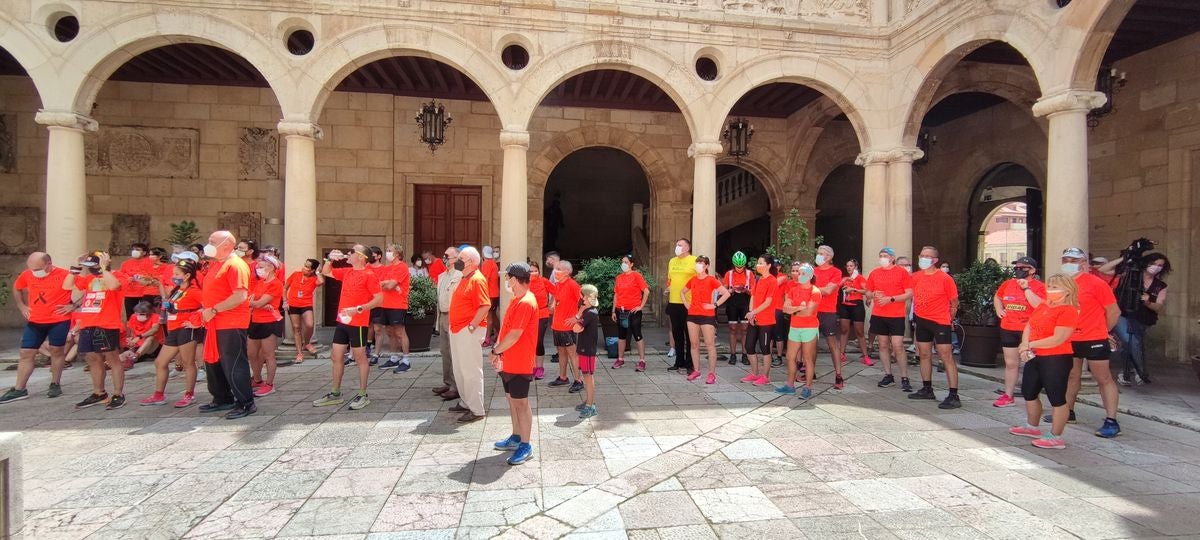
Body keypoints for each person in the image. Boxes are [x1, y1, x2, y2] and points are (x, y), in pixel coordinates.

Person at [1009, 274, 1080, 450]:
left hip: (1056, 358)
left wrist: (1029, 345)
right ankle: (1032, 426)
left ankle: (1056, 436)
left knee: (1056, 396)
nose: (1051, 290)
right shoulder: (1044, 305)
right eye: (1050, 286)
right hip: (1036, 354)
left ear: (1067, 290)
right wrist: (1025, 345)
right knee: (1029, 390)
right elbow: (1030, 325)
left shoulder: (1069, 310)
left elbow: (1058, 338)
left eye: (1056, 287)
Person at [1058, 247, 1121, 437]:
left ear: (1083, 263)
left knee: (1103, 378)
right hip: (1070, 338)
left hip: (1094, 337)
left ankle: (1111, 421)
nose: (1069, 263)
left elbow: (1113, 311)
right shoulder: (1061, 283)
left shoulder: (1096, 283)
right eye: (1065, 259)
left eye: (1073, 259)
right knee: (1071, 376)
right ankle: (1067, 412)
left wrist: (1104, 331)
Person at [314, 246, 383, 410]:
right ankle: (335, 393)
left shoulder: (369, 275)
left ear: (361, 257)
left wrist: (359, 309)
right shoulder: (347, 272)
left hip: (358, 323)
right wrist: (329, 259)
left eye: (352, 252)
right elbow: (326, 272)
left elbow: (379, 299)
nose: (348, 254)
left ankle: (362, 394)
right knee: (335, 356)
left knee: (360, 358)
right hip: (342, 321)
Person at [197, 231, 256, 419]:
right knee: (214, 362)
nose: (208, 244)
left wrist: (214, 309)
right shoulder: (216, 264)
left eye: (211, 241)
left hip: (230, 321)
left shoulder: (235, 265)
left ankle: (245, 402)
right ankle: (222, 397)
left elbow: (240, 296)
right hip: (214, 321)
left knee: (234, 363)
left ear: (226, 245)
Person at [1, 252, 73, 404]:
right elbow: (17, 287)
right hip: (35, 321)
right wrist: (21, 306)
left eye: (37, 268)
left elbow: (87, 287)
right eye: (32, 269)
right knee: (26, 352)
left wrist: (73, 306)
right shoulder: (28, 274)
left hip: (58, 320)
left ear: (48, 264)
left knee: (56, 350)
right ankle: (20, 389)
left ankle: (55, 383)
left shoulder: (65, 275)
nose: (34, 272)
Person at [490, 262, 539, 465]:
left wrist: (495, 350)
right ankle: (516, 436)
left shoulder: (526, 302)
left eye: (508, 277)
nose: (506, 281)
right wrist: (498, 350)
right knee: (512, 400)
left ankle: (526, 445)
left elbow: (515, 335)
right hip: (508, 360)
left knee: (521, 403)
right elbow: (505, 330)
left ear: (516, 279)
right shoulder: (516, 299)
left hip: (519, 361)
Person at [139, 259, 205, 407]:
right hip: (174, 328)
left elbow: (207, 305)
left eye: (177, 273)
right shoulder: (177, 289)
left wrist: (196, 321)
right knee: (160, 362)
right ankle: (158, 395)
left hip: (186, 329)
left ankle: (189, 394)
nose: (173, 276)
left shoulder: (194, 291)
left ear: (187, 275)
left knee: (188, 363)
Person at [67, 252, 127, 410]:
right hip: (88, 323)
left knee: (112, 359)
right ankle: (99, 393)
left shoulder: (116, 275)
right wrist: (75, 267)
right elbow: (67, 286)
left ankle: (118, 394)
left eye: (93, 266)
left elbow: (114, 286)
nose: (91, 270)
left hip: (106, 324)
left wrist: (105, 268)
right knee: (92, 358)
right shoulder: (89, 279)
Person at [907, 246, 962, 409]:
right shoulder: (916, 276)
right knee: (924, 354)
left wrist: (950, 318)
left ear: (935, 260)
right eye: (922, 255)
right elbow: (908, 294)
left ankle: (953, 394)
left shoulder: (945, 278)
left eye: (927, 256)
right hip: (922, 320)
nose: (923, 258)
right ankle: (927, 388)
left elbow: (954, 301)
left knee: (946, 357)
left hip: (940, 321)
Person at [1108, 252, 1170, 386]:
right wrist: (1125, 258)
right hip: (1122, 314)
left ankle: (1126, 371)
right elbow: (1104, 270)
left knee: (1130, 344)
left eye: (1160, 265)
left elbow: (1158, 306)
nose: (1157, 267)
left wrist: (1147, 302)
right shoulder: (1130, 275)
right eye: (1154, 264)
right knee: (1130, 340)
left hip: (1143, 318)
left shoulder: (1160, 285)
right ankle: (1140, 370)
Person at [993, 256, 1046, 408]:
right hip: (1008, 327)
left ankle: (1033, 396)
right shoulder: (1008, 283)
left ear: (1033, 271)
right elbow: (998, 296)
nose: (1018, 270)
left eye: (1023, 268)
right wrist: (999, 309)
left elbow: (1039, 305)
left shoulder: (1039, 287)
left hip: (1029, 330)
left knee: (1031, 363)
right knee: (1010, 363)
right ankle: (1008, 395)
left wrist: (1026, 288)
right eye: (1017, 267)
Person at [447, 246, 490, 423]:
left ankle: (476, 409)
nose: (457, 259)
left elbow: (485, 305)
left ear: (470, 262)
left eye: (461, 257)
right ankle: (466, 402)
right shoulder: (465, 278)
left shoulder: (477, 279)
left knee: (470, 370)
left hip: (467, 330)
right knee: (459, 368)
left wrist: (472, 326)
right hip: (457, 329)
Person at [866, 248, 913, 392]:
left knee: (898, 345)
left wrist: (891, 299)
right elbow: (867, 292)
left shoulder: (902, 272)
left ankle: (905, 377)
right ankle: (888, 374)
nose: (882, 258)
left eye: (885, 256)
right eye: (880, 256)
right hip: (879, 314)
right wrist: (873, 294)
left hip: (896, 315)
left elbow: (909, 293)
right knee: (883, 345)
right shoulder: (875, 273)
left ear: (892, 258)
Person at [682, 256, 730, 384]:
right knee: (694, 344)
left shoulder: (711, 280)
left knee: (710, 345)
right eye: (697, 263)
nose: (698, 265)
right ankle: (696, 370)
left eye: (701, 263)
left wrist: (714, 305)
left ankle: (711, 373)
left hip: (707, 315)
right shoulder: (692, 279)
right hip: (692, 315)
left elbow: (726, 293)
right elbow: (683, 292)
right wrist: (686, 304)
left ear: (707, 266)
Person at [778, 262, 821, 398]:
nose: (799, 275)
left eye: (802, 273)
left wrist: (794, 310)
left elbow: (808, 312)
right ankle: (790, 385)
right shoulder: (793, 289)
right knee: (790, 357)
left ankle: (807, 387)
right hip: (795, 328)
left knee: (808, 359)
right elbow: (785, 308)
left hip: (809, 328)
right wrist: (798, 308)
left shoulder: (815, 291)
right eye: (798, 272)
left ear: (810, 275)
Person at [247, 255, 284, 397]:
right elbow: (253, 301)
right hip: (255, 320)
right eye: (258, 267)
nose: (258, 269)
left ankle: (269, 384)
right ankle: (257, 379)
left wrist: (253, 303)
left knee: (268, 354)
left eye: (261, 267)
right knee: (252, 353)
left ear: (271, 268)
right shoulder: (260, 282)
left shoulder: (276, 284)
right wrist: (254, 303)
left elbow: (257, 303)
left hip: (269, 321)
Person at [548, 260, 584, 392]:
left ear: (567, 272)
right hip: (557, 325)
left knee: (573, 354)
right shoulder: (558, 285)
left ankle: (578, 380)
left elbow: (585, 302)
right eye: (555, 268)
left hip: (568, 327)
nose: (555, 271)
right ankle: (563, 377)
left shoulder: (573, 285)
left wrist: (576, 317)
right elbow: (557, 302)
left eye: (558, 268)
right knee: (561, 352)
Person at [812, 245, 845, 389]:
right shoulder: (813, 271)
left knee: (832, 345)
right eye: (818, 253)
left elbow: (828, 290)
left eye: (822, 254)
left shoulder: (836, 272)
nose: (818, 256)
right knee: (811, 344)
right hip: (812, 311)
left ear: (829, 257)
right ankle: (810, 372)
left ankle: (838, 375)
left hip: (828, 312)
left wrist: (811, 289)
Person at [433, 246, 463, 401]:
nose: (445, 258)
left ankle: (456, 386)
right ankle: (448, 382)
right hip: (443, 316)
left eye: (448, 256)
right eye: (444, 255)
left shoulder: (459, 276)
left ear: (457, 259)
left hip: (454, 316)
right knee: (444, 351)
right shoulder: (441, 276)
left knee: (453, 352)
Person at [742, 255, 778, 386]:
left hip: (767, 320)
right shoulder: (758, 279)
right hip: (755, 319)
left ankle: (765, 376)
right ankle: (754, 373)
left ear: (768, 265)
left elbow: (768, 302)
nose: (758, 265)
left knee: (765, 348)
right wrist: (752, 314)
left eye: (761, 263)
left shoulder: (772, 281)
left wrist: (753, 312)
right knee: (749, 346)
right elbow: (753, 296)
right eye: (758, 263)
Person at [377, 244, 413, 372]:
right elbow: (379, 284)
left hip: (398, 304)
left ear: (397, 253)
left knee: (400, 332)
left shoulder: (402, 267)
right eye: (387, 250)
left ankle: (406, 360)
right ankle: (393, 358)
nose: (387, 253)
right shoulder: (387, 268)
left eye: (389, 251)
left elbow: (390, 285)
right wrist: (385, 283)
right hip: (385, 304)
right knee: (389, 332)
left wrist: (387, 283)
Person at [612, 254, 650, 371]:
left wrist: (641, 306)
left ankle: (642, 361)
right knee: (621, 335)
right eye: (622, 262)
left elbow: (646, 291)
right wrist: (613, 310)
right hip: (621, 310)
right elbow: (616, 294)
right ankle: (620, 359)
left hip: (633, 311)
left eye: (626, 262)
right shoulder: (619, 277)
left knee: (637, 334)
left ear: (631, 264)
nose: (624, 264)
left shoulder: (636, 275)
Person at [666, 239, 698, 372]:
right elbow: (669, 279)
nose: (677, 247)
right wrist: (668, 288)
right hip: (674, 302)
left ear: (687, 247)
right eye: (676, 244)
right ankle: (679, 361)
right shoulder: (672, 261)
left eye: (680, 245)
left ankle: (690, 364)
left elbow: (699, 280)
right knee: (677, 333)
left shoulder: (694, 261)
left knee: (689, 335)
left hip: (688, 303)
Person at [285, 259, 323, 363]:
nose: (304, 268)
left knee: (310, 325)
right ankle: (299, 353)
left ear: (312, 270)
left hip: (306, 304)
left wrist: (318, 272)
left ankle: (306, 343)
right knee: (296, 328)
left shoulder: (314, 278)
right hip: (293, 304)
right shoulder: (296, 274)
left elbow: (321, 281)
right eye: (304, 265)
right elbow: (285, 288)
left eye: (307, 267)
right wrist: (285, 301)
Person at [574, 284, 601, 418]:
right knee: (586, 376)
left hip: (588, 350)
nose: (581, 298)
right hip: (584, 348)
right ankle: (588, 401)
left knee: (588, 377)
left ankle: (591, 406)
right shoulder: (587, 311)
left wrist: (580, 312)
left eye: (583, 295)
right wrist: (581, 310)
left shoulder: (591, 313)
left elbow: (575, 328)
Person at [838, 259, 871, 367]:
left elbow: (866, 291)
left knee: (860, 332)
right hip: (845, 305)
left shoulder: (860, 278)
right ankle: (841, 354)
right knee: (844, 330)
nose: (849, 268)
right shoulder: (844, 278)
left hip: (857, 305)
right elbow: (837, 287)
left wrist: (854, 290)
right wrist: (842, 283)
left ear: (855, 267)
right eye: (847, 266)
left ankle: (865, 356)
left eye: (851, 266)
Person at [723, 251, 754, 366]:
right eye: (737, 266)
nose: (739, 268)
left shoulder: (750, 274)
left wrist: (746, 290)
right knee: (732, 328)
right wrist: (730, 290)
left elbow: (754, 292)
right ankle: (733, 354)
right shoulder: (729, 274)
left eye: (741, 266)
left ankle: (744, 354)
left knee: (745, 329)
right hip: (732, 303)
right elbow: (724, 289)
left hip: (745, 302)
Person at [121, 301, 162, 370]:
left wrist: (139, 337)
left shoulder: (155, 316)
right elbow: (130, 330)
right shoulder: (133, 317)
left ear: (149, 313)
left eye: (141, 314)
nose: (138, 316)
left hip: (152, 346)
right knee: (121, 356)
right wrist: (130, 338)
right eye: (137, 313)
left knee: (150, 337)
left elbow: (154, 329)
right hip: (137, 346)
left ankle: (135, 356)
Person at [528, 261, 552, 380]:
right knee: (529, 342)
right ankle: (530, 366)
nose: (533, 273)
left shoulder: (544, 281)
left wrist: (553, 305)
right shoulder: (524, 282)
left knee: (538, 341)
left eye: (535, 270)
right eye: (531, 271)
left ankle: (540, 367)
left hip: (542, 314)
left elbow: (557, 292)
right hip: (528, 316)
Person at [120, 242, 153, 317]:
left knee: (146, 313)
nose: (134, 251)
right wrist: (127, 278)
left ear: (144, 252)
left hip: (145, 292)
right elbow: (121, 276)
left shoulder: (150, 262)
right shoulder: (126, 263)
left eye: (137, 249)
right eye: (133, 249)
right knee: (130, 315)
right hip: (130, 293)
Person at [543, 252, 563, 364]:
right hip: (558, 304)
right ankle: (560, 351)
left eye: (547, 259)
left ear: (552, 259)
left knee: (557, 328)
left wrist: (551, 303)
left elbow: (556, 290)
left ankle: (560, 352)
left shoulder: (556, 271)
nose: (547, 261)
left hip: (556, 305)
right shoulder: (558, 269)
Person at [771, 260, 791, 368]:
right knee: (769, 334)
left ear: (779, 267)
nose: (774, 268)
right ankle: (768, 356)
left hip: (778, 308)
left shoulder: (783, 277)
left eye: (776, 266)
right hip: (767, 309)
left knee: (778, 334)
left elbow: (775, 283)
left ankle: (779, 357)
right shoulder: (768, 276)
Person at [481, 245, 501, 347]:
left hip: (489, 294)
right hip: (494, 293)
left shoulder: (487, 264)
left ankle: (487, 339)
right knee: (492, 315)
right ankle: (500, 335)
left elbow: (485, 280)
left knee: (489, 317)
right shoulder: (493, 263)